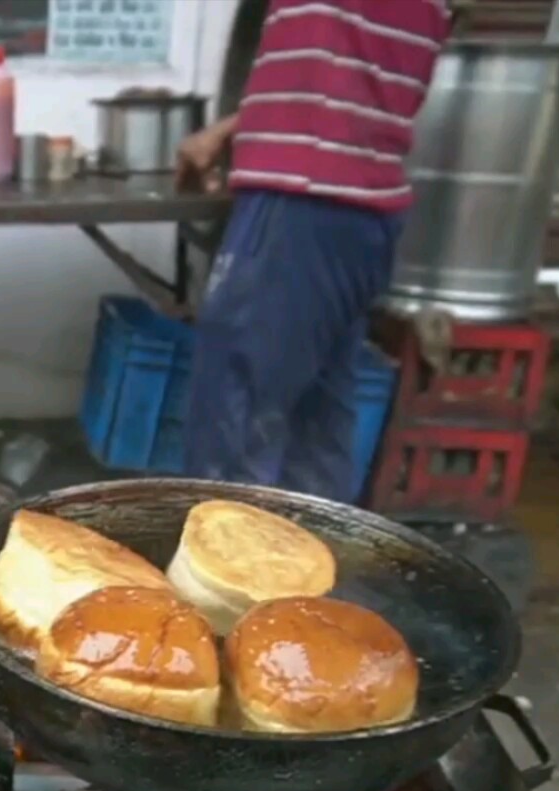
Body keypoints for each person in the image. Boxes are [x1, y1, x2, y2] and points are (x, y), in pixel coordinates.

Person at [174, 0, 449, 502]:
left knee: (234, 441)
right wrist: (233, 126)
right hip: (360, 211)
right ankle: (318, 575)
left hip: (300, 204)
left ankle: (231, 577)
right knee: (313, 432)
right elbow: (350, 65)